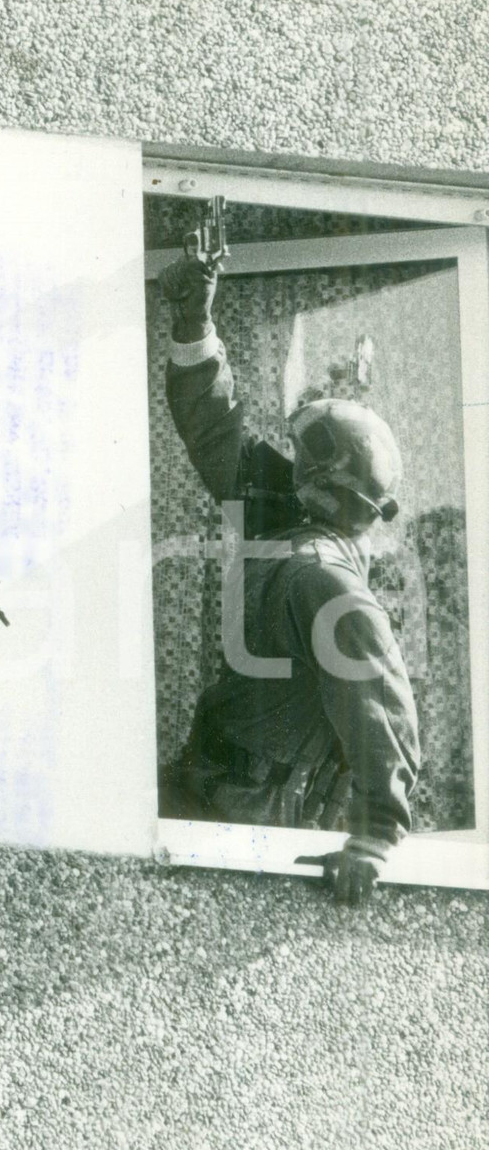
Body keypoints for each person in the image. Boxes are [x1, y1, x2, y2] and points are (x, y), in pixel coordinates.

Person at [156, 254, 420, 906]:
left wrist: (375, 837)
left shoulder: (321, 579)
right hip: (210, 792)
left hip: (250, 821)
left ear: (321, 485)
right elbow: (215, 431)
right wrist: (195, 326)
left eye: (301, 460)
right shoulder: (291, 529)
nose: (285, 466)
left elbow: (381, 705)